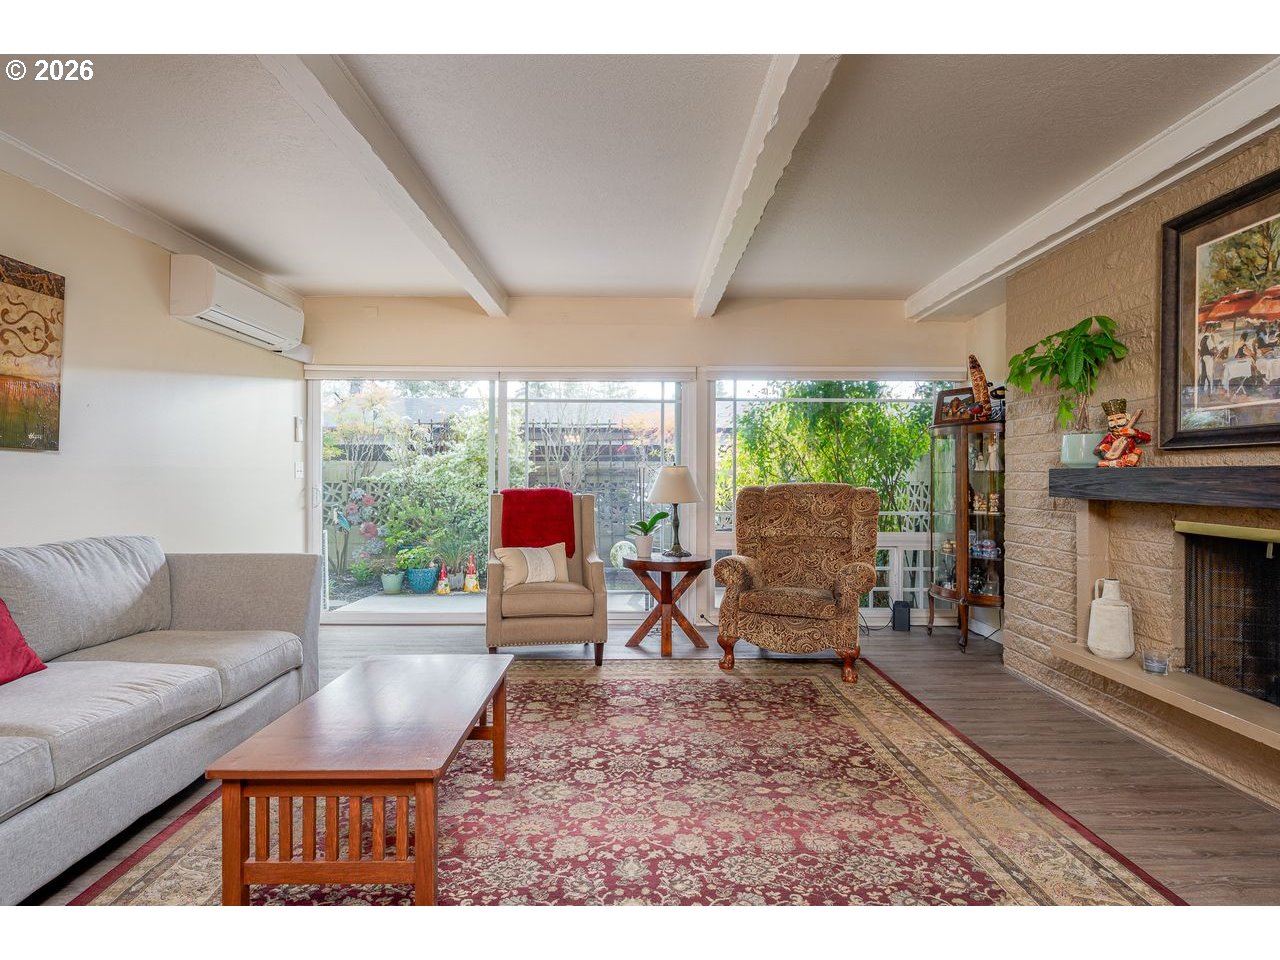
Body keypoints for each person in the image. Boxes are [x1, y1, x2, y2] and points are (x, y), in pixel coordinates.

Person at [1093, 399, 1151, 469]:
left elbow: (1148, 437)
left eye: (1119, 418)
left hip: (1129, 457)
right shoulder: (1110, 436)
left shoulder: (1130, 432)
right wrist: (1101, 447)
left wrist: (1135, 433)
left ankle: (1125, 462)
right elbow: (1096, 449)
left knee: (1137, 451)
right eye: (1111, 420)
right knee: (1100, 463)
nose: (1116, 422)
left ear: (1127, 417)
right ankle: (1114, 463)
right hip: (1114, 458)